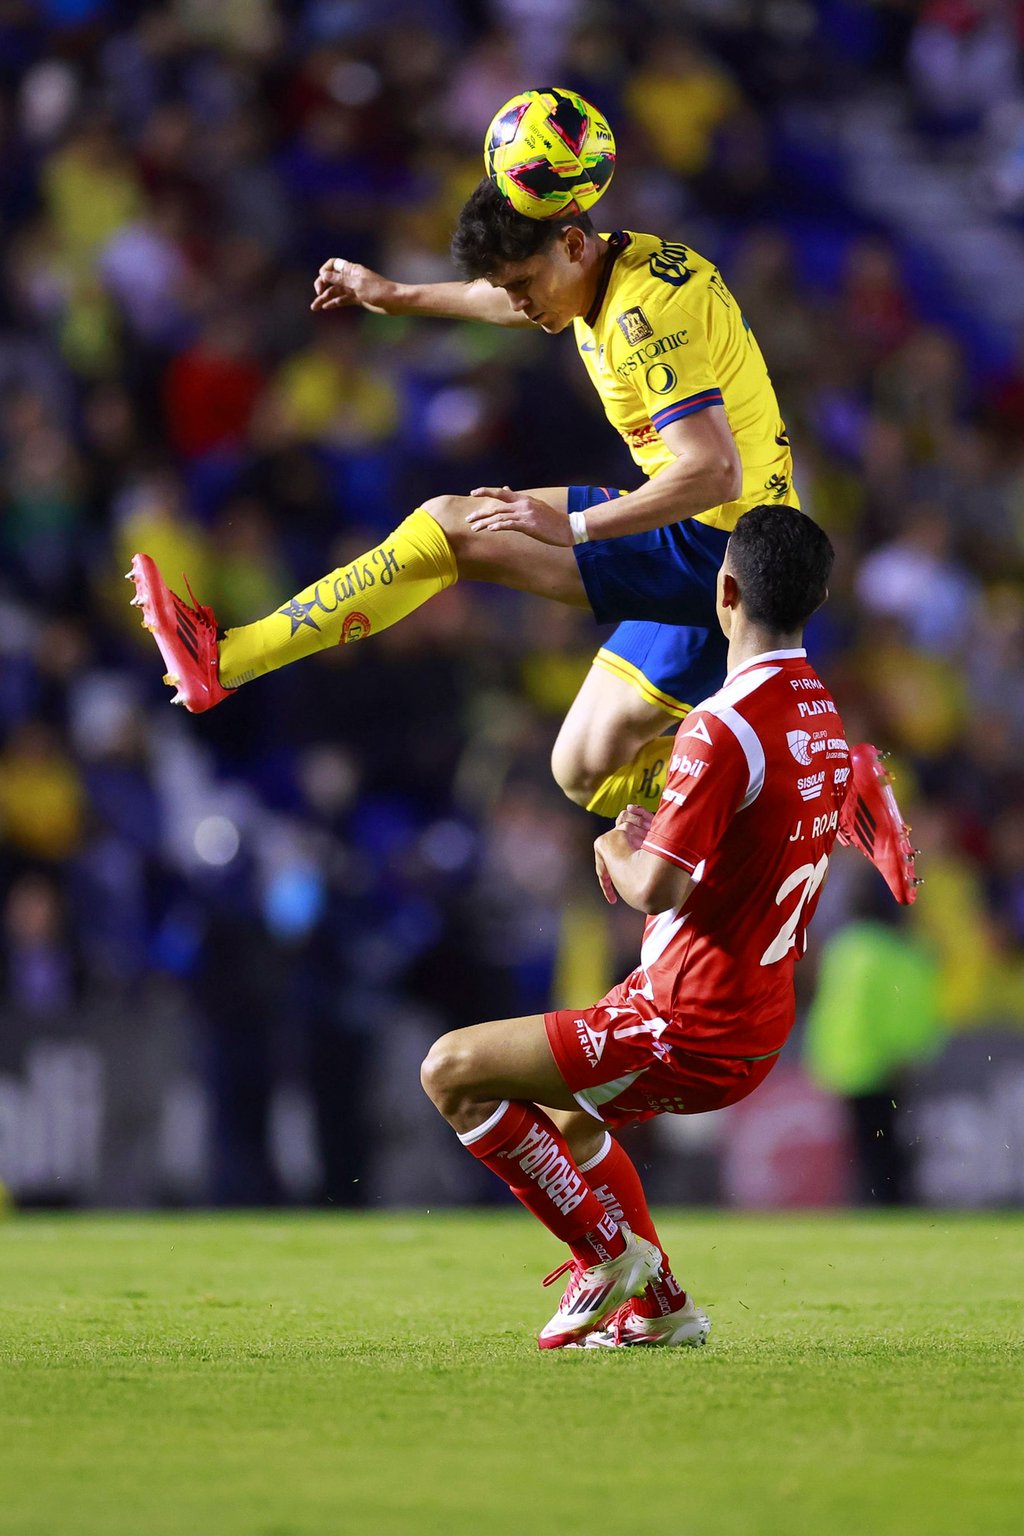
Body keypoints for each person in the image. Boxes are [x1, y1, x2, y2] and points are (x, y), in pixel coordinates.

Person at [127, 176, 917, 899]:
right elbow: (516, 298)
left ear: (571, 243)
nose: (523, 304)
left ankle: (226, 660)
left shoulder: (642, 319)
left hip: (715, 550)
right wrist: (395, 294)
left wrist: (571, 527)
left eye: (526, 282)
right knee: (580, 769)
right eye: (511, 286)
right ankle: (823, 788)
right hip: (701, 530)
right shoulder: (603, 270)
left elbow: (711, 468)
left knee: (451, 528)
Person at [419, 504, 853, 1348]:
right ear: (817, 600)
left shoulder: (721, 725)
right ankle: (661, 1309)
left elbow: (656, 887)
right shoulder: (824, 718)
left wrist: (612, 846)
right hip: (758, 1021)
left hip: (683, 1024)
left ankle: (604, 1252)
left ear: (723, 592)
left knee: (453, 1072)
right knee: (575, 1120)